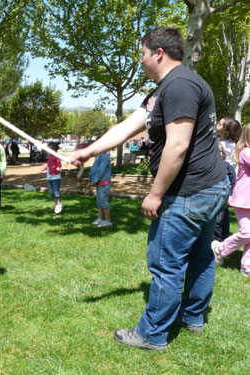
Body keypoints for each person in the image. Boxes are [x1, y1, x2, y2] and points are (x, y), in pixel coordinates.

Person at [70, 26, 229, 350]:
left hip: (191, 193)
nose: (141, 61)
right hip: (208, 190)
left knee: (166, 264)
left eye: (143, 54)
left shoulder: (181, 85)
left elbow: (178, 146)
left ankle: (152, 334)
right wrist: (89, 151)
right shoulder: (163, 90)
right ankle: (193, 318)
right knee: (200, 256)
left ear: (159, 53)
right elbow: (128, 126)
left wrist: (155, 194)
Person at [212, 124, 250, 277]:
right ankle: (220, 249)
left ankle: (247, 266)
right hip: (243, 199)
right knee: (247, 232)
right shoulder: (245, 152)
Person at [212, 144, 236, 243]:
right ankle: (216, 243)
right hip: (212, 197)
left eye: (221, 151)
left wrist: (231, 195)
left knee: (222, 221)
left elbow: (233, 182)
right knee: (216, 221)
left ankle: (220, 242)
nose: (219, 153)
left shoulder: (226, 165)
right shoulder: (209, 166)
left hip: (223, 197)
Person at [88, 149, 112, 227]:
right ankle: (100, 218)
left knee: (104, 201)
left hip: (104, 183)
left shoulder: (104, 157)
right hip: (99, 183)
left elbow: (101, 171)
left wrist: (94, 180)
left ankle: (108, 220)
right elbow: (95, 168)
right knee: (99, 201)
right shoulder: (98, 157)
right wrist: (91, 177)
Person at [41, 142, 63, 214]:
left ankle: (59, 204)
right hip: (50, 177)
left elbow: (59, 163)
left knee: (56, 192)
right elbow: (48, 165)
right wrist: (44, 168)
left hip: (55, 177)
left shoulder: (56, 156)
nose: (47, 151)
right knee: (51, 192)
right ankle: (56, 204)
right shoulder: (49, 157)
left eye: (48, 149)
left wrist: (58, 168)